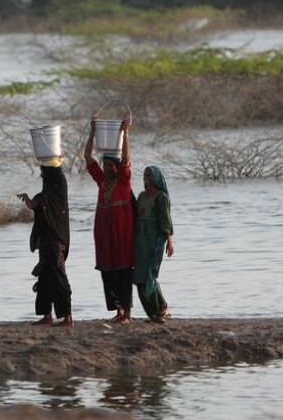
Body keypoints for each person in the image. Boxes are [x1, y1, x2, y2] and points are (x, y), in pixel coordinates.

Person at [84, 114, 134, 324]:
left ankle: (127, 314)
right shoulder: (102, 181)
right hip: (104, 234)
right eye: (105, 167)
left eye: (110, 166)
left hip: (122, 234)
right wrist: (93, 132)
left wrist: (126, 133)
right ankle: (118, 310)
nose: (106, 169)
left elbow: (126, 159)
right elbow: (88, 158)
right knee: (108, 272)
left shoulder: (123, 181)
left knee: (123, 272)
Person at [17, 159, 73, 327]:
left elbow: (39, 203)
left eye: (43, 171)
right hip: (48, 239)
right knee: (45, 277)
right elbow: (36, 204)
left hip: (57, 239)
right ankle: (47, 314)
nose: (41, 174)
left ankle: (68, 317)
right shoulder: (50, 190)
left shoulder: (57, 190)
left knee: (58, 275)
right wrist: (29, 199)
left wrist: (30, 199)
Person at [133, 166, 175, 323]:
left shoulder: (161, 197)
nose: (146, 178)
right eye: (144, 175)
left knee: (150, 276)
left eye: (149, 175)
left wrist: (169, 243)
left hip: (154, 242)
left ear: (156, 178)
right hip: (140, 242)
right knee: (139, 278)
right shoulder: (142, 196)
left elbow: (166, 222)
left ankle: (162, 307)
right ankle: (153, 313)